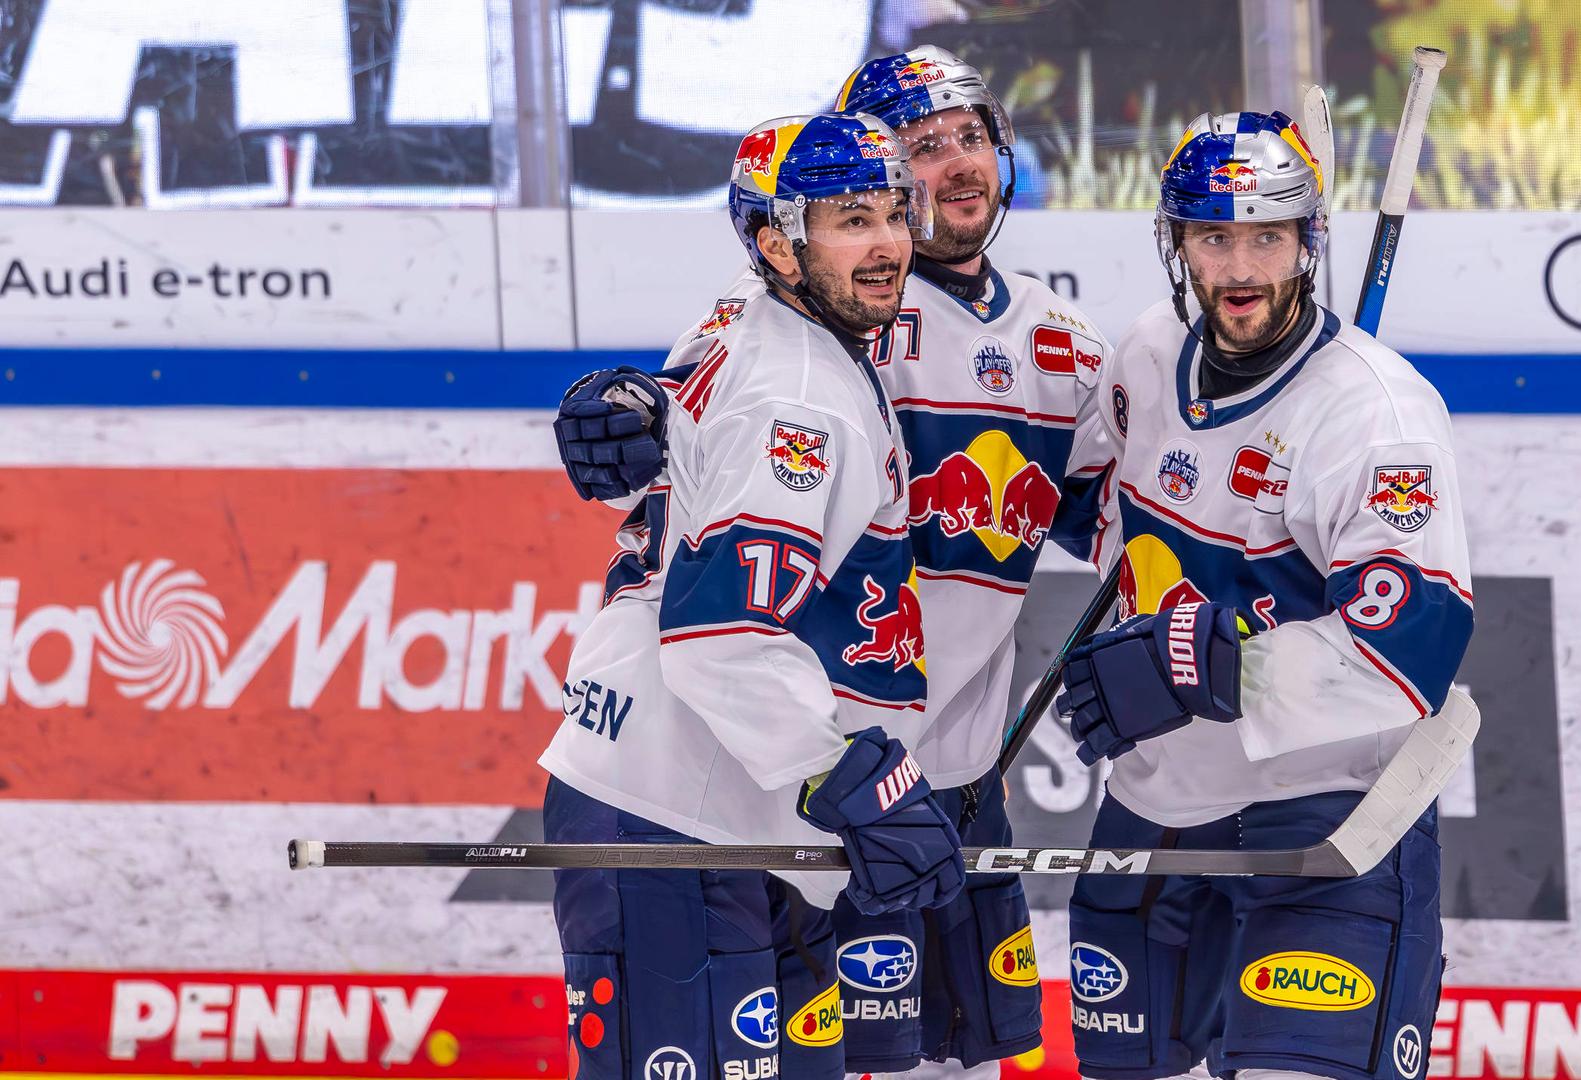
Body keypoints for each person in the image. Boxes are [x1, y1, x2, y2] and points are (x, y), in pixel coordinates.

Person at [554, 46, 1117, 1080]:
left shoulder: (1058, 350)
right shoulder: (794, 348)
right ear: (781, 240)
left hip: (889, 773)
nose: (898, 223)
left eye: (964, 141)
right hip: (791, 769)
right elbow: (715, 604)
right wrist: (636, 410)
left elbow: (1136, 523)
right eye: (864, 202)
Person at [537, 111, 969, 1080]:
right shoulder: (799, 398)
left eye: (894, 214)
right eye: (849, 220)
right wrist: (850, 775)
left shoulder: (751, 311)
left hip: (729, 805)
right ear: (779, 242)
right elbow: (720, 634)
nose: (888, 245)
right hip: (670, 804)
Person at [1053, 111, 1474, 1080]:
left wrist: (1209, 664)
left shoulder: (1378, 415)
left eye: (1267, 238)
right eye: (1214, 236)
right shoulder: (1149, 359)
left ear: (1307, 243)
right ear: (1179, 245)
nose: (1240, 267)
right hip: (1160, 803)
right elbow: (1089, 508)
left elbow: (1411, 644)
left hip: (1323, 810)